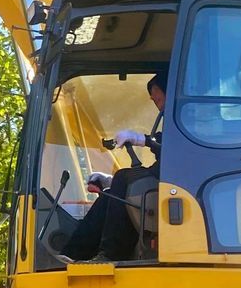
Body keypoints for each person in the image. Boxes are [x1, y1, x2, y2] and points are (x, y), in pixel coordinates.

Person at [62, 69, 167, 262]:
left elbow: (174, 154)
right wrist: (110, 182)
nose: (157, 105)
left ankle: (112, 253)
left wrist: (142, 139)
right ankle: (71, 255)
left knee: (123, 177)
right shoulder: (174, 122)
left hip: (178, 186)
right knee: (110, 195)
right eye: (154, 101)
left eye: (159, 99)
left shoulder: (193, 119)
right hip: (164, 182)